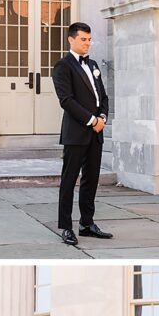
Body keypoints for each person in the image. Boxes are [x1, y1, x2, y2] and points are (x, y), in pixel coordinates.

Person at [52, 21, 112, 247]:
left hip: (96, 133)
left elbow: (102, 97)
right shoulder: (62, 66)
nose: (87, 43)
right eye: (83, 39)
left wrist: (103, 118)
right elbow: (66, 100)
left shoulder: (93, 64)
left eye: (89, 40)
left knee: (91, 180)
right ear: (71, 39)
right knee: (69, 180)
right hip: (76, 133)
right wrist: (91, 120)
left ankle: (87, 224)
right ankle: (66, 227)